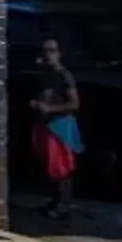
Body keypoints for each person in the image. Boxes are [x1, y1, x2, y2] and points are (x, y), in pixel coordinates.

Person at [31, 36, 84, 220]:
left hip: (60, 125)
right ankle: (55, 201)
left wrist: (51, 109)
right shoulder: (43, 75)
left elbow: (74, 104)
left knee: (61, 166)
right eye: (45, 51)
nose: (48, 55)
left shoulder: (64, 76)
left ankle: (63, 204)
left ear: (59, 53)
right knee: (50, 165)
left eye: (52, 51)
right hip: (46, 124)